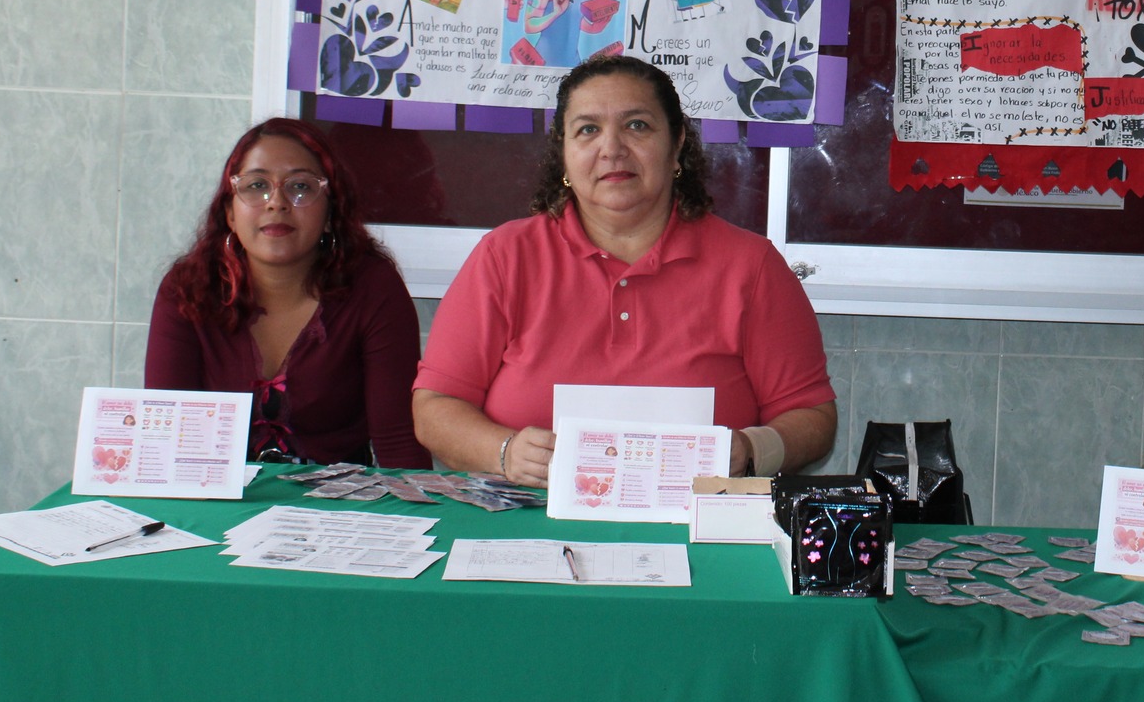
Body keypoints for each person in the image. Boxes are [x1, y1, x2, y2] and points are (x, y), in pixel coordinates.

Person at [412, 56, 837, 484]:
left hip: (698, 531)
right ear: (563, 153)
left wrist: (751, 451)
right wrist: (504, 453)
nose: (611, 148)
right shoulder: (504, 256)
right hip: (526, 528)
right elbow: (435, 407)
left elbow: (812, 418)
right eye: (588, 130)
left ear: (676, 146)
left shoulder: (752, 267)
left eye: (637, 125)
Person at [146, 118, 427, 466]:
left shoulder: (373, 288)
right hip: (215, 505)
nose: (276, 202)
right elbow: (167, 439)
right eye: (257, 185)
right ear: (230, 213)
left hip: (338, 511)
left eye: (301, 187)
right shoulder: (187, 289)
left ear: (330, 213)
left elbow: (399, 442)